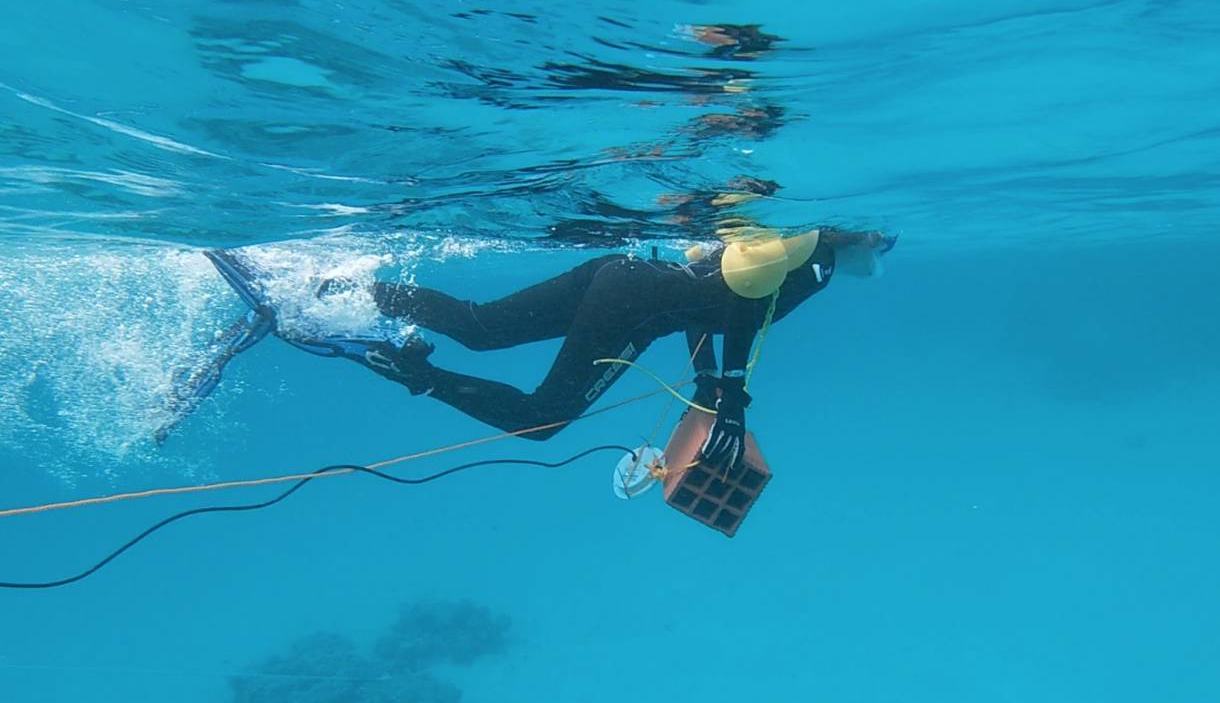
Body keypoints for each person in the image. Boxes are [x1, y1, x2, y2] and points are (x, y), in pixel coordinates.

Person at [161, 229, 895, 468]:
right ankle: (407, 371)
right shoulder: (815, 265)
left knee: (484, 326)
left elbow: (720, 298)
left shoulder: (788, 238)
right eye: (882, 242)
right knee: (542, 422)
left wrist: (714, 384)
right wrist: (726, 390)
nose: (881, 254)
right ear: (858, 236)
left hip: (625, 272)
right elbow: (735, 309)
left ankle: (328, 284)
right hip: (641, 304)